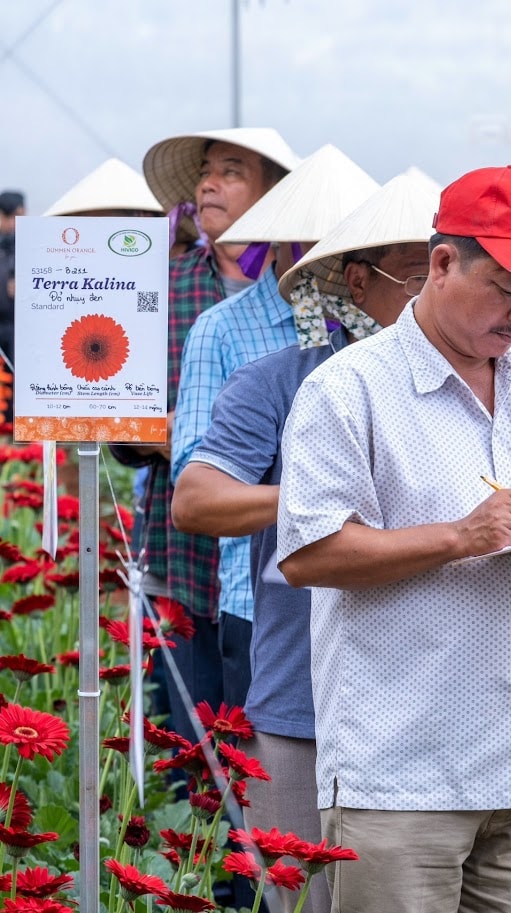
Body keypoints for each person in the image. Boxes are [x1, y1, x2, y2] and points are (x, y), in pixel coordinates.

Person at [274, 165, 511, 913]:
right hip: (404, 771)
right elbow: (308, 553)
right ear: (443, 262)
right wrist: (458, 535)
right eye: (506, 286)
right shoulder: (349, 389)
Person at [170, 171, 435, 913]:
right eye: (417, 277)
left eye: (452, 272)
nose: (436, 297)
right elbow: (196, 497)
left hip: (435, 694)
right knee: (301, 893)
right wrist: (316, 504)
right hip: (305, 683)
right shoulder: (284, 377)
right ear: (356, 280)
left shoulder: (486, 385)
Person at [169, 144, 378, 712]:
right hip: (261, 593)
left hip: (379, 586)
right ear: (282, 239)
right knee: (270, 772)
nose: (327, 258)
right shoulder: (224, 329)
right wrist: (309, 498)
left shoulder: (382, 333)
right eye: (312, 240)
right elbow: (197, 474)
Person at [109, 129, 298, 743]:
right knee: (197, 740)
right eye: (206, 172)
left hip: (275, 554)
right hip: (182, 546)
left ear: (275, 196)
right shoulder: (159, 288)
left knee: (263, 736)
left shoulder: (313, 293)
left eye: (232, 171)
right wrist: (211, 447)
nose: (209, 183)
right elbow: (118, 418)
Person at [0, 189, 22, 370]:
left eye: (18, 217)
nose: (13, 224)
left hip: (19, 329)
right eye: (7, 217)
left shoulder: (30, 248)